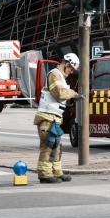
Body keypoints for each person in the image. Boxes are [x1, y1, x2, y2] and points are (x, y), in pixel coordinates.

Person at [34, 53, 79, 183]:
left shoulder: (61, 77)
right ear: (67, 64)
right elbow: (59, 94)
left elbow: (61, 97)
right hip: (47, 117)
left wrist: (71, 99)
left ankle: (56, 172)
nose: (71, 72)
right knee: (48, 146)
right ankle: (44, 174)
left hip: (54, 117)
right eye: (71, 69)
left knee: (56, 146)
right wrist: (73, 94)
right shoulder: (54, 74)